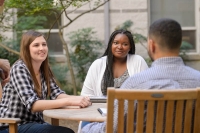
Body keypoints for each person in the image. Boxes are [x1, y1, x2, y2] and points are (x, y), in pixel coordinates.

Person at [81, 18, 200, 133]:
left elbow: (113, 128)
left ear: (151, 45)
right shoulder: (197, 80)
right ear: (179, 44)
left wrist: (86, 129)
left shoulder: (135, 83)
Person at [0, 30, 91, 133]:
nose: (41, 48)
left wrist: (80, 99)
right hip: (11, 126)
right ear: (27, 49)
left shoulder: (44, 69)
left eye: (44, 44)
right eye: (36, 45)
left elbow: (56, 94)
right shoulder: (19, 68)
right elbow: (33, 105)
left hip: (34, 123)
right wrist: (69, 101)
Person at [81, 29, 148, 96]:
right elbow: (86, 94)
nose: (119, 47)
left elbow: (147, 90)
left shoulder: (138, 61)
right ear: (111, 45)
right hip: (102, 106)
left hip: (131, 106)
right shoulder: (98, 64)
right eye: (116, 43)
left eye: (125, 44)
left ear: (130, 47)